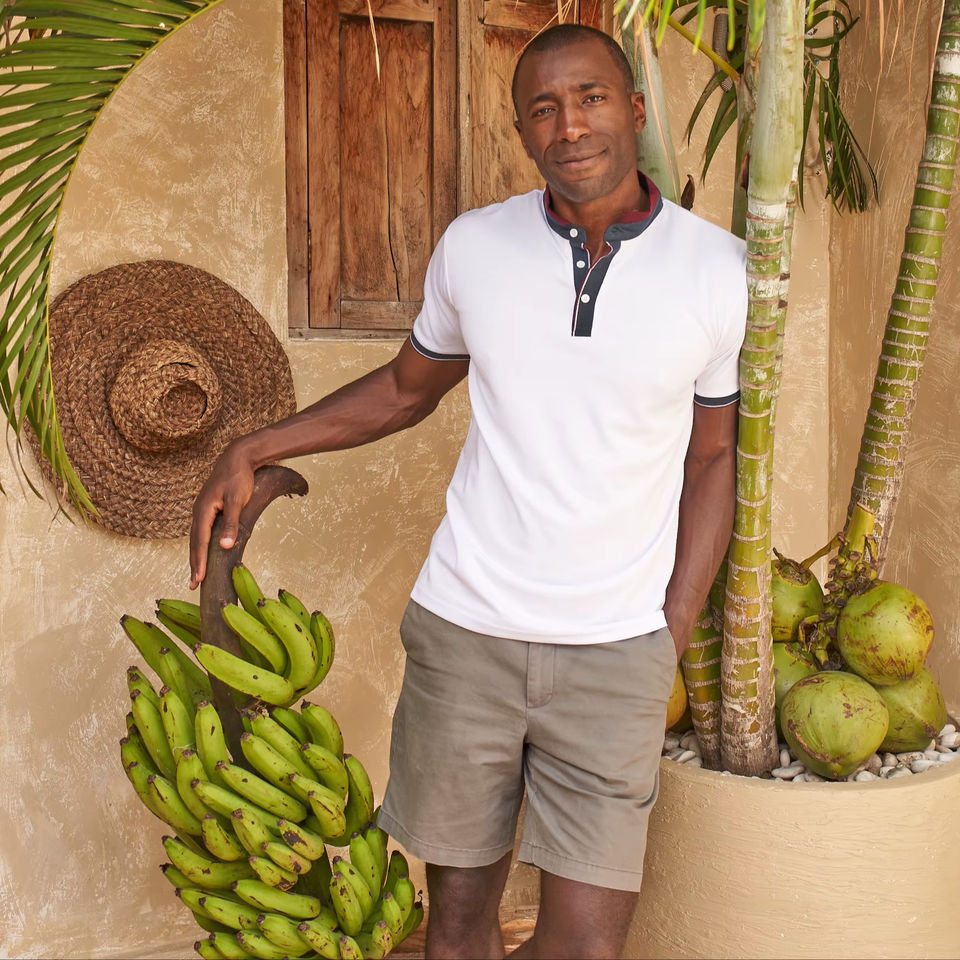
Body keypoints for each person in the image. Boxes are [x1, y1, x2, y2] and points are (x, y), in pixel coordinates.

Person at [190, 23, 746, 960]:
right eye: (544, 108)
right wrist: (256, 445)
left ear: (634, 110)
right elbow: (405, 391)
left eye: (591, 98)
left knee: (585, 946)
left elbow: (712, 458)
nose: (570, 126)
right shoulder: (475, 248)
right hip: (465, 636)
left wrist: (672, 629)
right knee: (454, 932)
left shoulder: (718, 270)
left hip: (616, 652)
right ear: (523, 131)